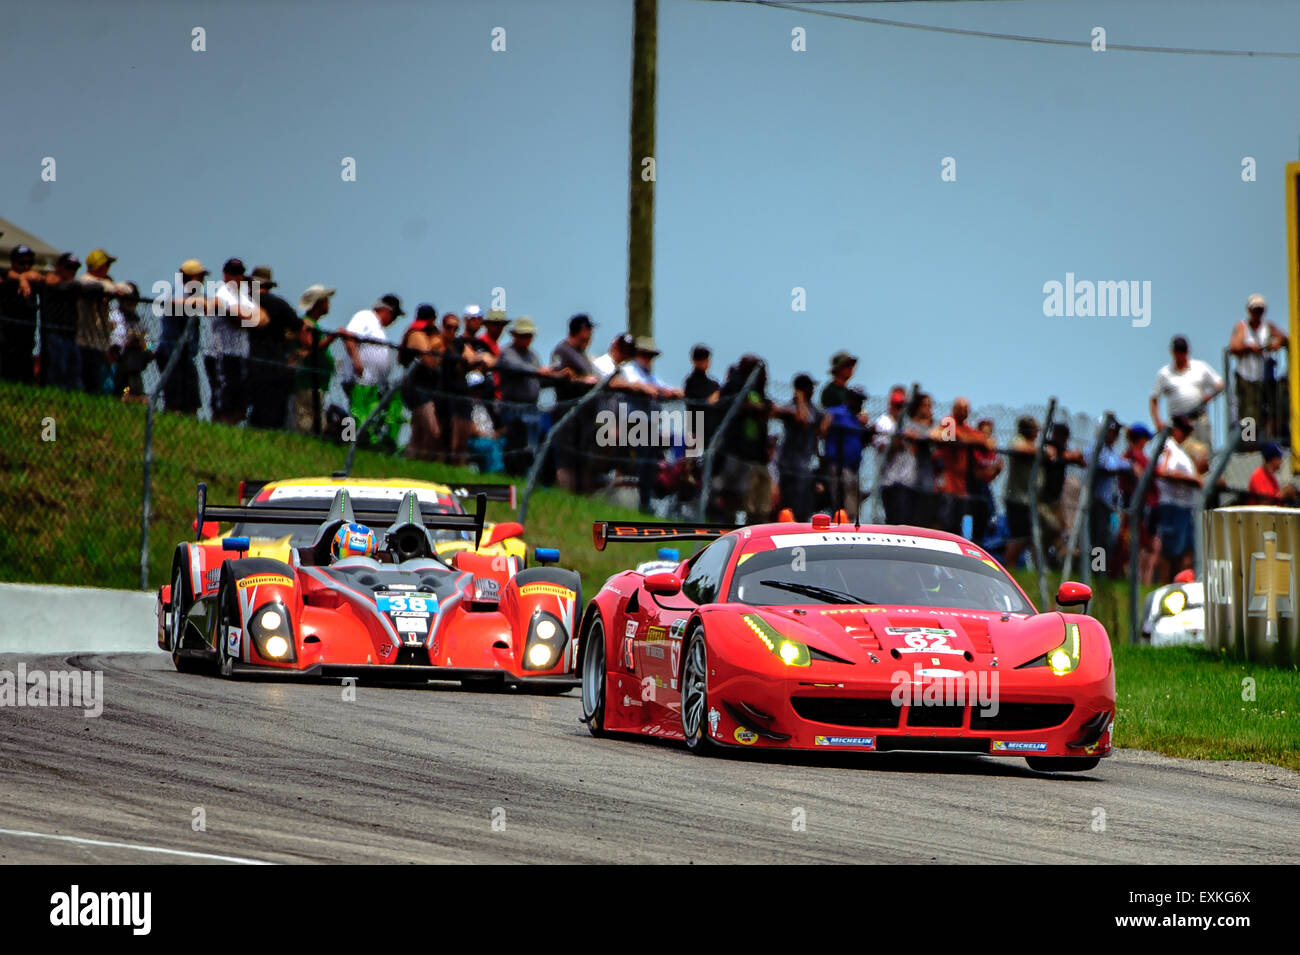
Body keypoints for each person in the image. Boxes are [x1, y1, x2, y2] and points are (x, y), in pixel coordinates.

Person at [619, 336, 684, 512]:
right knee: (641, 461)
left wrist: (672, 391)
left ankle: (646, 500)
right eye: (644, 354)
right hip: (635, 423)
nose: (647, 359)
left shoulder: (650, 374)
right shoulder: (629, 369)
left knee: (650, 462)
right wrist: (657, 390)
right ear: (637, 354)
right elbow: (639, 386)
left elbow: (662, 387)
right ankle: (641, 500)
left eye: (650, 355)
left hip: (650, 425)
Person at [498, 316, 561, 474]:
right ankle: (512, 473)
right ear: (515, 336)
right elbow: (518, 367)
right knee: (515, 442)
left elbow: (540, 378)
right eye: (523, 335)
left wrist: (555, 376)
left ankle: (531, 475)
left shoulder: (533, 355)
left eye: (529, 335)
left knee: (533, 444)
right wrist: (539, 371)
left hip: (532, 407)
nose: (527, 339)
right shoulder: (507, 353)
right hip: (513, 406)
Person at [340, 294, 403, 450]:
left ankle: (365, 445)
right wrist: (357, 361)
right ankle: (349, 442)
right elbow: (348, 335)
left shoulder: (379, 328)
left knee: (369, 417)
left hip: (373, 384)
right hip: (359, 379)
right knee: (356, 413)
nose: (394, 320)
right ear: (386, 310)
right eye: (394, 315)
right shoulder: (365, 317)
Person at [245, 265, 302, 430]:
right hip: (279, 363)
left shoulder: (246, 302)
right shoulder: (281, 305)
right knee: (277, 412)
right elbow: (299, 328)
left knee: (257, 408)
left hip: (254, 361)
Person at [717, 354, 772, 521]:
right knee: (732, 494)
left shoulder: (758, 389)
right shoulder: (735, 384)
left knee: (753, 499)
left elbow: (767, 407)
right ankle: (727, 524)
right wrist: (755, 408)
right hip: (735, 449)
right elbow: (730, 405)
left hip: (755, 453)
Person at [549, 314, 599, 492]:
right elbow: (556, 374)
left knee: (582, 458)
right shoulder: (562, 350)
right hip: (567, 412)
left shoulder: (582, 354)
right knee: (566, 459)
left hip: (584, 415)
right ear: (581, 330)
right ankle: (564, 495)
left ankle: (580, 497)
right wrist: (581, 380)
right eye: (588, 331)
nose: (590, 336)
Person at [933, 397, 995, 536]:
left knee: (958, 526)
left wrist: (971, 438)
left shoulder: (966, 427)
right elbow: (951, 436)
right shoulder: (949, 421)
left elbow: (983, 440)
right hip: (947, 484)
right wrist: (969, 439)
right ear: (955, 409)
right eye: (962, 408)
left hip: (961, 487)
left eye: (967, 408)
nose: (965, 411)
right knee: (943, 523)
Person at [1228, 294, 1287, 440]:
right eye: (1255, 310)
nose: (1257, 313)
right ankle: (1249, 443)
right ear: (1249, 310)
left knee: (1271, 409)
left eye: (1260, 310)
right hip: (1247, 378)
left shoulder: (1268, 327)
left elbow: (1284, 338)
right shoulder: (1243, 327)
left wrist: (1277, 342)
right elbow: (1234, 346)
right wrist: (1249, 348)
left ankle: (1272, 441)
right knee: (1249, 414)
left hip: (1264, 377)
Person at [76, 248, 134, 395]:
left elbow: (127, 290)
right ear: (100, 266)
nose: (108, 269)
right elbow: (91, 287)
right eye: (106, 265)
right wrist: (110, 287)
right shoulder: (85, 280)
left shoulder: (107, 282)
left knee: (98, 382)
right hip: (85, 340)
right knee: (87, 382)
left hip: (100, 341)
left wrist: (112, 287)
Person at [1150, 335, 1223, 449]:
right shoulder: (1164, 373)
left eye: (1183, 351)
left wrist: (1209, 395)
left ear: (1187, 351)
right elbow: (1154, 398)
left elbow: (1220, 383)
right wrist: (1158, 422)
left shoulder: (1200, 367)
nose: (1181, 354)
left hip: (1198, 419)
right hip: (1178, 424)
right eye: (1178, 351)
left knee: (1203, 454)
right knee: (1180, 455)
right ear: (1173, 352)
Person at [774, 373, 825, 521]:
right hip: (788, 467)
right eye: (809, 388)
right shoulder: (792, 407)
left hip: (806, 466)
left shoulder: (814, 409)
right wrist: (800, 397)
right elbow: (803, 420)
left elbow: (822, 427)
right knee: (789, 508)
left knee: (805, 508)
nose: (813, 391)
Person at [290, 284, 339, 434]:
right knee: (305, 420)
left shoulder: (315, 325)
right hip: (307, 382)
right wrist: (332, 337)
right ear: (319, 303)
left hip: (318, 383)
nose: (328, 304)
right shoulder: (306, 323)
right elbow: (311, 346)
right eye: (326, 300)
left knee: (317, 421)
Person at [396, 304, 443, 460]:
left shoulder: (428, 334)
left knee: (418, 432)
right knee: (434, 430)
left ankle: (410, 462)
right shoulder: (416, 334)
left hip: (426, 389)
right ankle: (426, 460)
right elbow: (429, 361)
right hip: (416, 389)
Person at [39, 252, 85, 390]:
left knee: (74, 369)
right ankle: (53, 394)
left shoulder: (73, 286)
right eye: (69, 267)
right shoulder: (50, 282)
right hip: (55, 333)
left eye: (75, 268)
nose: (72, 271)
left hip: (70, 335)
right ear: (59, 267)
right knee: (58, 367)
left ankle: (69, 398)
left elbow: (78, 286)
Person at [822, 387, 868, 520]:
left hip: (854, 466)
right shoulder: (836, 412)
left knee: (853, 502)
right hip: (838, 464)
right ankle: (840, 522)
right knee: (841, 500)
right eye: (857, 400)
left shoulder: (858, 418)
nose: (859, 403)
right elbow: (822, 430)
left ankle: (849, 522)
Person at [1002, 416, 1039, 570]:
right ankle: (1009, 568)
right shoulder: (1018, 441)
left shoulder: (1031, 445)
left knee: (1033, 538)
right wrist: (1041, 450)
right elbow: (1018, 448)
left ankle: (1038, 572)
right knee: (1017, 538)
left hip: (1029, 499)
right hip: (1017, 498)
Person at [1, 245, 42, 384]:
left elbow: (42, 277)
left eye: (29, 263)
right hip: (8, 333)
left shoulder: (33, 280)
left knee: (26, 367)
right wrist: (19, 279)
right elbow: (5, 273)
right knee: (8, 367)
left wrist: (23, 278)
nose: (26, 266)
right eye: (22, 262)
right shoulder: (6, 278)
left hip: (28, 334)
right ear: (13, 263)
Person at [872, 386, 910, 523]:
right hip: (889, 480)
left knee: (906, 520)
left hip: (904, 480)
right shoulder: (884, 422)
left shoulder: (905, 423)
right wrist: (900, 439)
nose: (900, 409)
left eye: (902, 406)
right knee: (894, 520)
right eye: (897, 405)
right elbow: (883, 448)